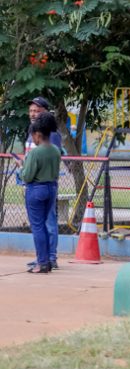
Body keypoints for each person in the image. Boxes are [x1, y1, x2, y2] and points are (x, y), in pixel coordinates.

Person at [18, 113, 61, 274]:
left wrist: (22, 168)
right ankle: (49, 259)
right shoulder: (56, 150)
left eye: (33, 136)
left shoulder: (35, 153)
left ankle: (42, 262)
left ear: (38, 134)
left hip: (36, 189)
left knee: (37, 227)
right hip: (51, 188)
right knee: (46, 224)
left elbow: (27, 176)